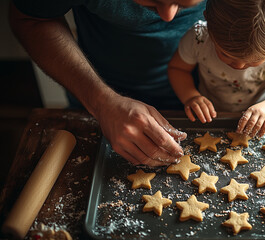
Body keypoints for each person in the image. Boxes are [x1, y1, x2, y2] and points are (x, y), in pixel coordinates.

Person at [9, 0, 206, 166]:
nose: (167, 16)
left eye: (182, 3)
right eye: (153, 0)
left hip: (200, 104)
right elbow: (31, 19)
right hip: (92, 101)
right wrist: (102, 103)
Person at [168, 0, 265, 138]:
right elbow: (178, 69)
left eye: (254, 60)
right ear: (209, 25)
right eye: (224, 54)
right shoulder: (199, 39)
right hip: (213, 119)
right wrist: (191, 96)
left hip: (263, 126)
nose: (239, 66)